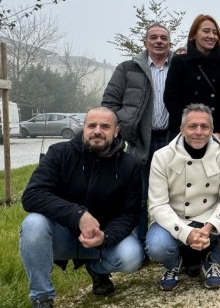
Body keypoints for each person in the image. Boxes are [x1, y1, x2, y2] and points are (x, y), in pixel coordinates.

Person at [20, 107, 143, 307]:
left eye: (105, 126)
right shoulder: (59, 153)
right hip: (63, 236)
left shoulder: (130, 166)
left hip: (101, 237)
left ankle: (98, 270)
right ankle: (42, 296)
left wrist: (106, 238)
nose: (97, 131)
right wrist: (78, 215)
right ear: (83, 128)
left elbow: (130, 213)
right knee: (33, 223)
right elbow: (32, 195)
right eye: (91, 125)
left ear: (116, 131)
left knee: (132, 257)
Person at [146, 103, 220, 291]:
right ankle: (173, 265)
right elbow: (157, 205)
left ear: (212, 130)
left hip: (208, 216)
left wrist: (209, 227)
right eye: (192, 126)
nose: (198, 132)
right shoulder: (162, 156)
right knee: (156, 246)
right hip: (175, 218)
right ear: (181, 129)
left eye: (204, 127)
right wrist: (187, 233)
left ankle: (212, 262)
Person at [102, 23, 174, 252]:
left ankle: (170, 244)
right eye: (154, 37)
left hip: (171, 139)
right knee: (139, 195)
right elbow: (110, 103)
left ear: (169, 42)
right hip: (139, 140)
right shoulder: (127, 69)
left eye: (164, 37)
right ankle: (141, 244)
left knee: (172, 194)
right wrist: (122, 128)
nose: (159, 41)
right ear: (145, 42)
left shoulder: (178, 66)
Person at [163, 14, 220, 143]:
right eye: (206, 31)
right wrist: (188, 125)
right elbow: (171, 98)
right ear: (194, 35)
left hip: (214, 133)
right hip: (183, 131)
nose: (211, 36)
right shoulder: (180, 62)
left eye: (215, 33)